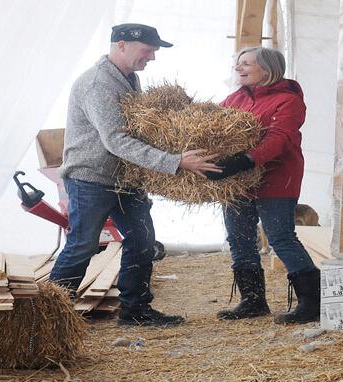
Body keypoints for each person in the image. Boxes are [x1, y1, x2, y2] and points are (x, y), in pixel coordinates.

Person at [49, 23, 220, 327]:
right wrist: (174, 162)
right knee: (83, 245)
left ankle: (135, 310)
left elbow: (136, 131)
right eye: (148, 50)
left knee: (142, 239)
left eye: (154, 51)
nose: (152, 57)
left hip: (126, 179)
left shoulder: (130, 79)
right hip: (91, 178)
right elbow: (115, 140)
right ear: (122, 44)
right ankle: (50, 317)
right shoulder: (97, 83)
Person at [209, 47, 319, 325]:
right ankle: (252, 300)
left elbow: (279, 138)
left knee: (280, 237)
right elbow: (212, 128)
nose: (238, 68)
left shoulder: (288, 100)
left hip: (277, 178)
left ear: (267, 70)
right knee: (239, 238)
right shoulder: (234, 99)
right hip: (238, 181)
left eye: (246, 64)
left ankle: (312, 302)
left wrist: (246, 160)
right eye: (238, 64)